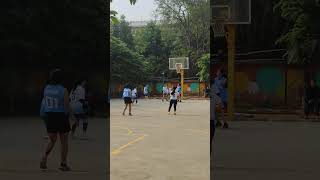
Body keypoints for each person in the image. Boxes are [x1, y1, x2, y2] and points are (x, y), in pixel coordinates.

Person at [40, 69, 72, 171]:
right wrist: (73, 118)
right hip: (61, 117)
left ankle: (44, 156)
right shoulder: (63, 90)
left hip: (50, 116)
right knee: (64, 142)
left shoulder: (46, 88)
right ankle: (63, 164)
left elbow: (44, 103)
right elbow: (67, 107)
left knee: (52, 140)